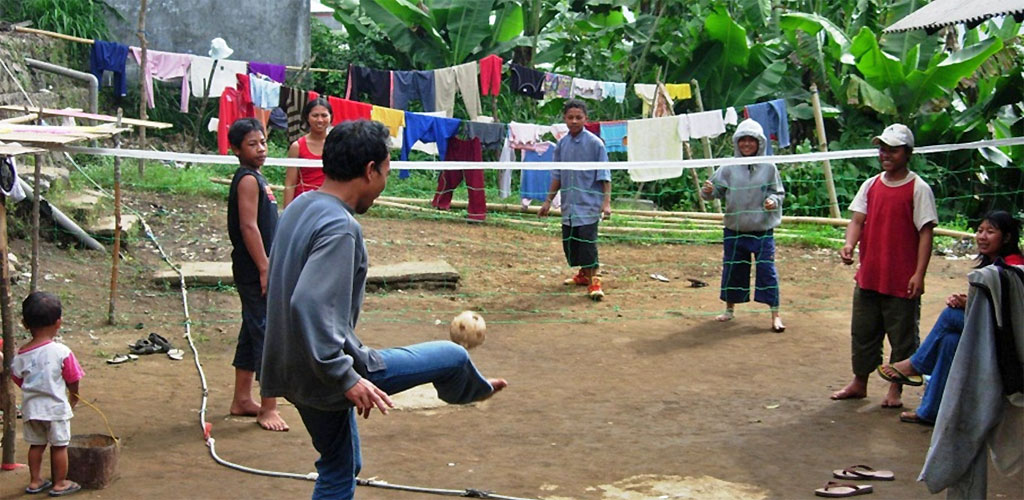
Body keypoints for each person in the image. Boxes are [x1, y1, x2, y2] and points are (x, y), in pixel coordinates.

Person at [260, 120, 507, 499]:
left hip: (287, 366)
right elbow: (307, 302)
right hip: (325, 372)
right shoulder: (340, 227)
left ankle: (469, 386)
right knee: (454, 355)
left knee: (340, 467)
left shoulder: (300, 206)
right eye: (386, 172)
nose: (385, 182)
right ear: (370, 170)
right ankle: (470, 388)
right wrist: (346, 377)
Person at [878, 210, 1023, 424]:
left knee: (949, 315)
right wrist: (968, 301)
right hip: (991, 326)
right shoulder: (994, 266)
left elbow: (1010, 313)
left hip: (1010, 336)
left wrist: (969, 304)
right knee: (949, 341)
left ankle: (916, 365)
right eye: (980, 230)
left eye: (990, 232)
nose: (982, 236)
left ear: (1007, 237)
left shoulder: (1013, 267)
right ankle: (930, 412)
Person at [831, 123, 938, 408]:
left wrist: (919, 273)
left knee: (902, 335)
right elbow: (857, 220)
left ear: (907, 153)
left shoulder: (918, 189)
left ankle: (895, 389)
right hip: (870, 274)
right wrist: (849, 245)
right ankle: (859, 382)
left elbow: (926, 232)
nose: (886, 154)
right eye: (883, 149)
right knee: (863, 330)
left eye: (892, 149)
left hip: (901, 278)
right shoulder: (871, 184)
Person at [226, 118, 288, 432]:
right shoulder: (247, 180)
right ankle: (269, 406)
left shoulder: (258, 177)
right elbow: (248, 227)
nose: (260, 149)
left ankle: (241, 399)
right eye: (252, 144)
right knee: (267, 332)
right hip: (254, 269)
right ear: (236, 149)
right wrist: (264, 268)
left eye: (263, 142)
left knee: (252, 330)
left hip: (263, 266)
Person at [700, 119, 786, 332]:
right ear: (737, 142)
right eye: (743, 140)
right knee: (733, 270)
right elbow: (714, 192)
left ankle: (775, 314)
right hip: (734, 230)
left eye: (751, 140)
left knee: (767, 271)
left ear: (760, 143)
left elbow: (778, 193)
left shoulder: (769, 167)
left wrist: (772, 201)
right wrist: (708, 191)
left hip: (762, 230)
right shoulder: (728, 167)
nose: (747, 144)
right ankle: (729, 310)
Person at [10, 291, 84, 496]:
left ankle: (35, 481)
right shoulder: (61, 351)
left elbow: (17, 378)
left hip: (31, 409)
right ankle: (59, 483)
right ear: (58, 322)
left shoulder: (21, 354)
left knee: (36, 445)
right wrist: (73, 397)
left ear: (25, 324)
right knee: (59, 446)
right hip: (55, 408)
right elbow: (73, 378)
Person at [538, 99, 611, 301]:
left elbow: (605, 176)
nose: (574, 121)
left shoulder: (596, 144)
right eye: (570, 117)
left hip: (589, 204)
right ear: (565, 119)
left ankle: (594, 281)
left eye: (579, 117)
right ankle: (582, 275)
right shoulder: (561, 144)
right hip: (569, 205)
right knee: (572, 244)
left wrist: (606, 204)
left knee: (588, 243)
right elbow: (557, 175)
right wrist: (547, 202)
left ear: (585, 119)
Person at [283, 98, 333, 208]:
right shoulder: (297, 147)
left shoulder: (337, 145)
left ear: (331, 117)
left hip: (329, 204)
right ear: (307, 118)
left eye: (324, 115)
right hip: (303, 205)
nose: (320, 120)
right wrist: (286, 213)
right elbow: (290, 183)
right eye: (315, 115)